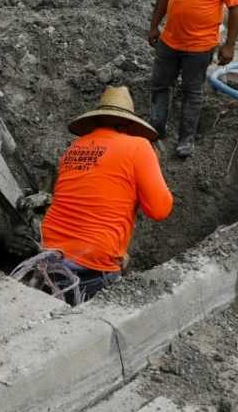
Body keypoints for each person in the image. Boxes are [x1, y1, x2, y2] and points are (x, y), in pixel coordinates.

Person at [13, 86, 173, 305]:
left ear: (96, 122)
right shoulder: (139, 147)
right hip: (93, 265)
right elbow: (159, 209)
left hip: (47, 253)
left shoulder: (74, 148)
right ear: (128, 124)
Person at [147, 0, 238, 158]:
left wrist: (229, 45)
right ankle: (157, 128)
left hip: (200, 45)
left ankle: (186, 139)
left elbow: (236, 8)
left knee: (192, 91)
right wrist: (153, 26)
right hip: (170, 40)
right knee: (160, 85)